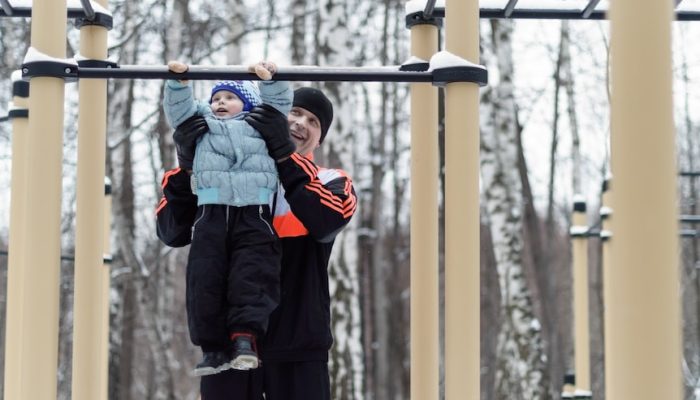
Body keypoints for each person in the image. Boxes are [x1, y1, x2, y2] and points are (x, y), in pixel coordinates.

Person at [156, 86, 357, 400]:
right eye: (295, 112)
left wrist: (283, 155)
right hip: (230, 348)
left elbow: (326, 222)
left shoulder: (329, 179)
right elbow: (171, 231)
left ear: (320, 139)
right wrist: (187, 165)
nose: (301, 123)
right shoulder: (217, 174)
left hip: (299, 345)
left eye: (313, 122)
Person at [162, 60, 293, 376]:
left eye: (229, 98)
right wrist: (178, 83)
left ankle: (244, 338)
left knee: (251, 274)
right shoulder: (204, 124)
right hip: (211, 211)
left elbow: (278, 104)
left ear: (248, 103)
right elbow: (179, 112)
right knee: (206, 277)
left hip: (254, 212)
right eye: (216, 98)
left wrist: (269, 79)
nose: (220, 103)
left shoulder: (259, 123)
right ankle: (212, 348)